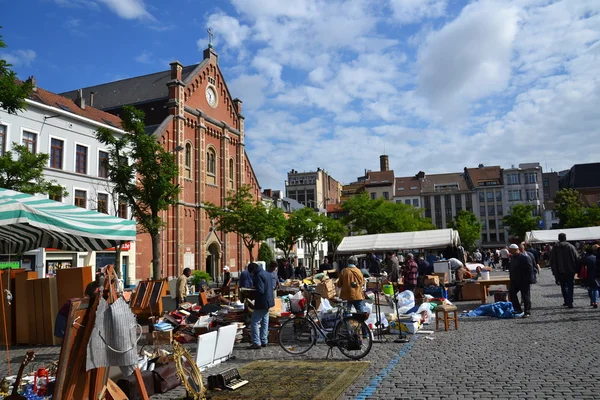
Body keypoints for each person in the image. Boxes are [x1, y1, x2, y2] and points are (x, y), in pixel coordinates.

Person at [248, 262, 274, 349]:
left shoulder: (259, 275)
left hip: (262, 302)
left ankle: (256, 342)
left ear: (253, 270)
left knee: (254, 321)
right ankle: (264, 340)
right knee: (265, 321)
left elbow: (261, 290)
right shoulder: (267, 273)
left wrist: (252, 291)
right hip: (269, 301)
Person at [550, 233, 579, 308]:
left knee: (563, 286)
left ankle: (566, 301)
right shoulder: (570, 247)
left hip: (559, 270)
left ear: (558, 238)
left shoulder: (555, 247)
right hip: (570, 270)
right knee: (570, 286)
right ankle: (570, 302)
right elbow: (576, 258)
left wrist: (554, 270)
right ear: (565, 238)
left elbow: (552, 260)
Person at [508, 243, 534, 318]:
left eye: (512, 251)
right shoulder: (513, 257)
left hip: (524, 280)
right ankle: (518, 309)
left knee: (525, 296)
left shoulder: (524, 257)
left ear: (516, 250)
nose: (510, 252)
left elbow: (530, 268)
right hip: (515, 280)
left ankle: (527, 311)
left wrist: (530, 279)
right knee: (512, 293)